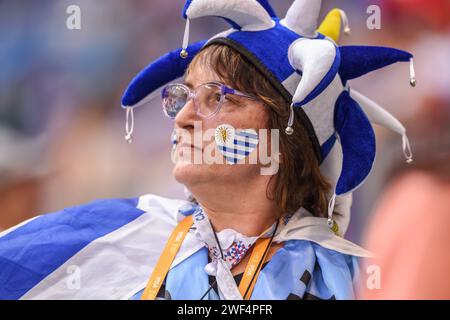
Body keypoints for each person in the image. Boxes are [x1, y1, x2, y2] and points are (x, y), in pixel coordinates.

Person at [0, 0, 415, 300]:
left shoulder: (354, 279)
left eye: (218, 97)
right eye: (182, 95)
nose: (183, 118)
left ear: (284, 137)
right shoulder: (108, 235)